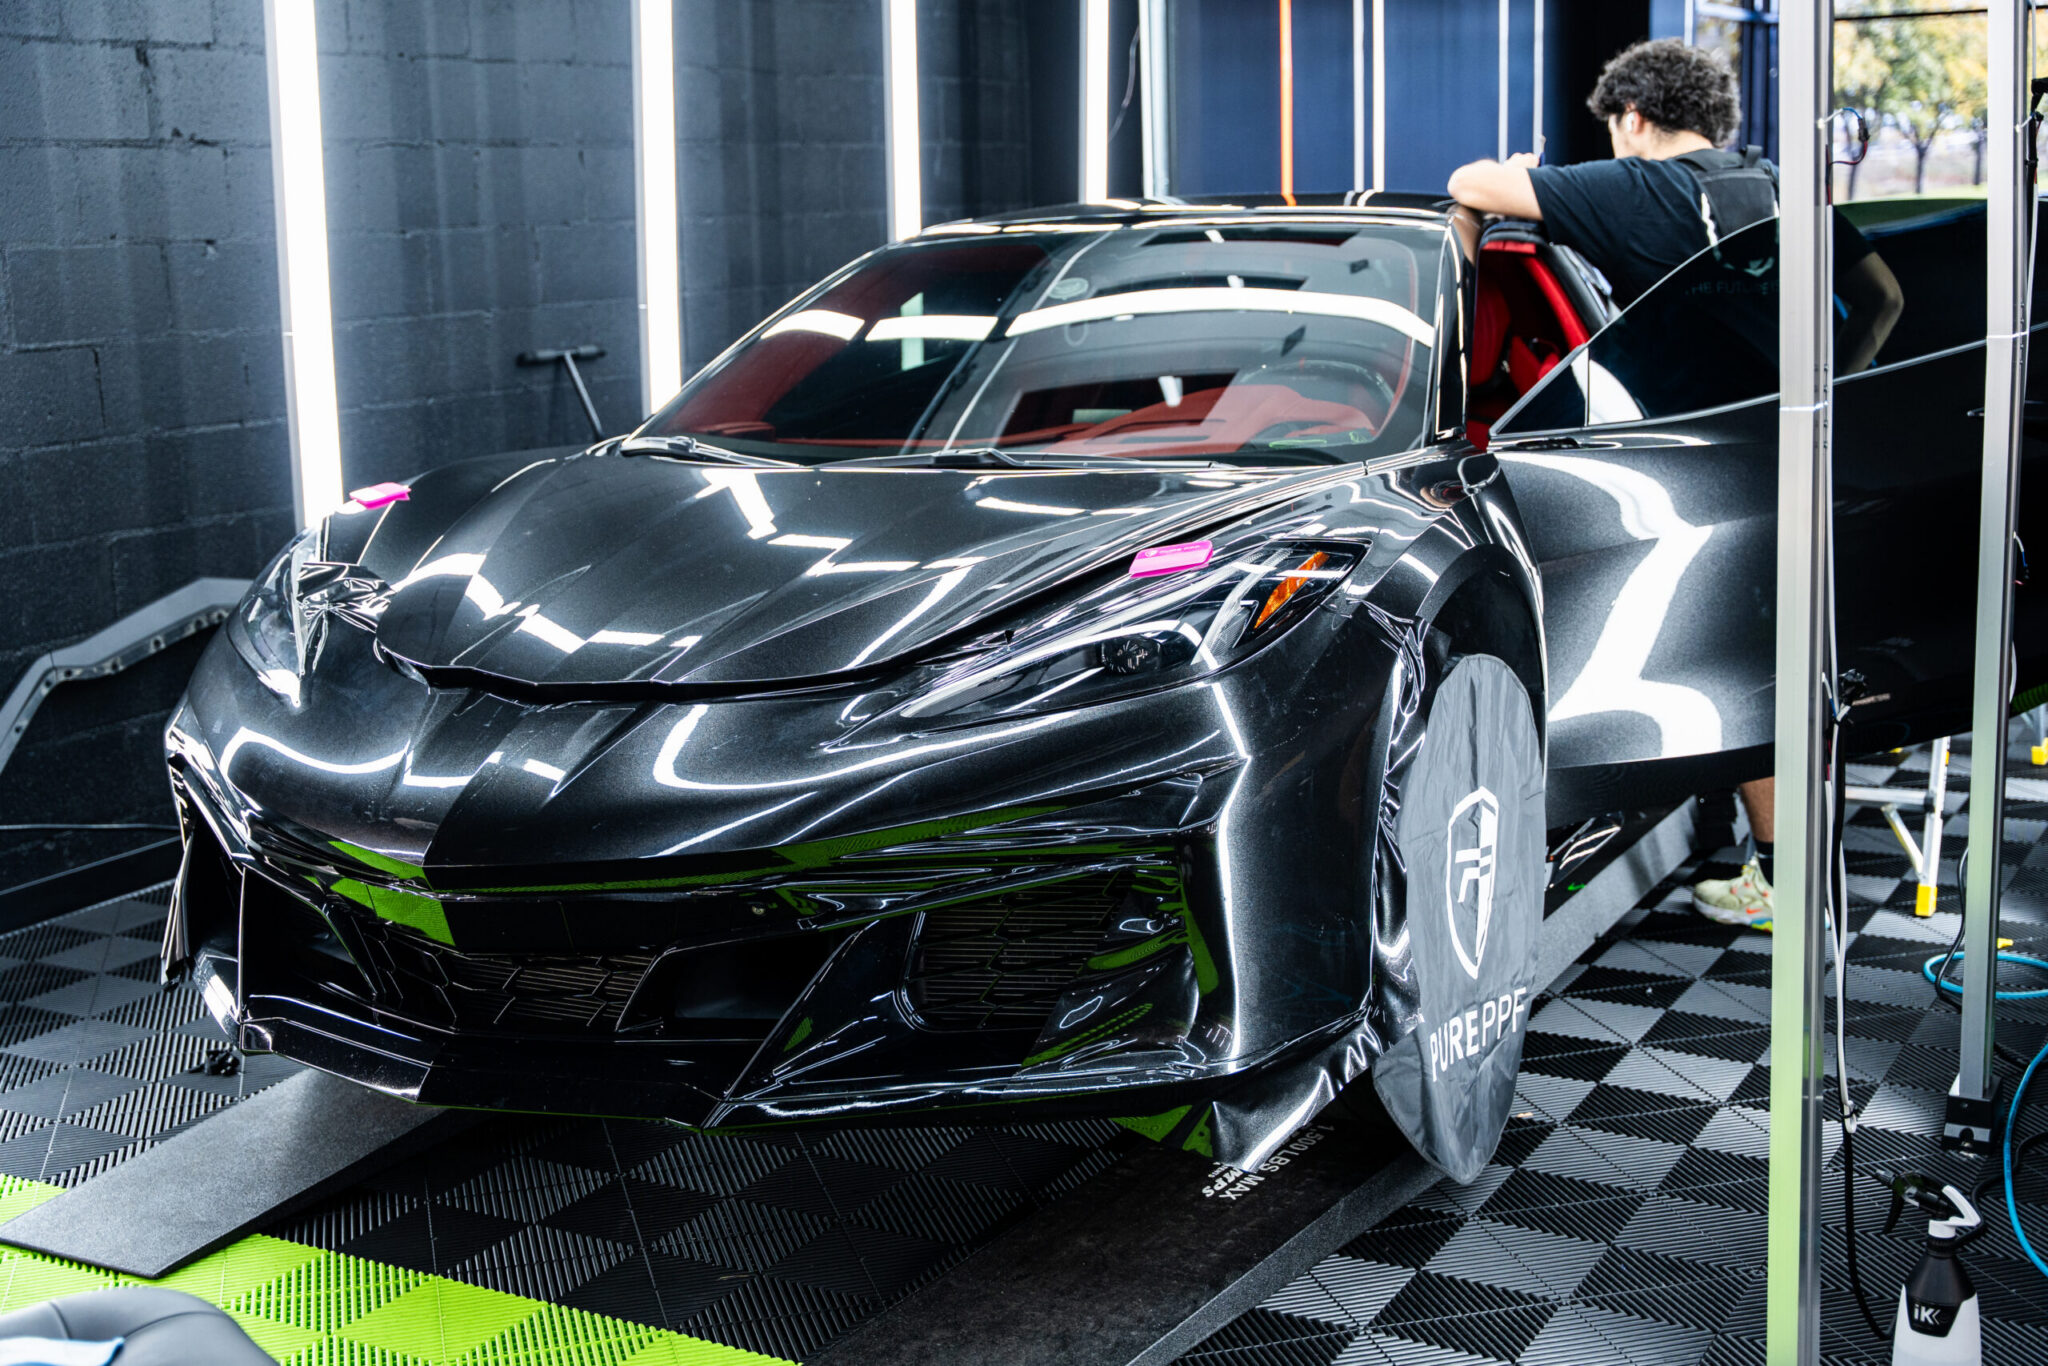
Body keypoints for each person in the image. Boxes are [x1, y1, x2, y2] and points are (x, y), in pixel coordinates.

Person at [1447, 39, 1905, 930]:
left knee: (1747, 664)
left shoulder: (1637, 188)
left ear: (1632, 117)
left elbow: (1471, 184)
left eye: (1614, 128)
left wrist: (1518, 172)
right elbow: (1883, 297)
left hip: (1710, 459)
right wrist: (1824, 389)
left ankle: (1785, 884)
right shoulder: (1769, 185)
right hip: (1801, 447)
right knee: (1791, 652)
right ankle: (1795, 865)